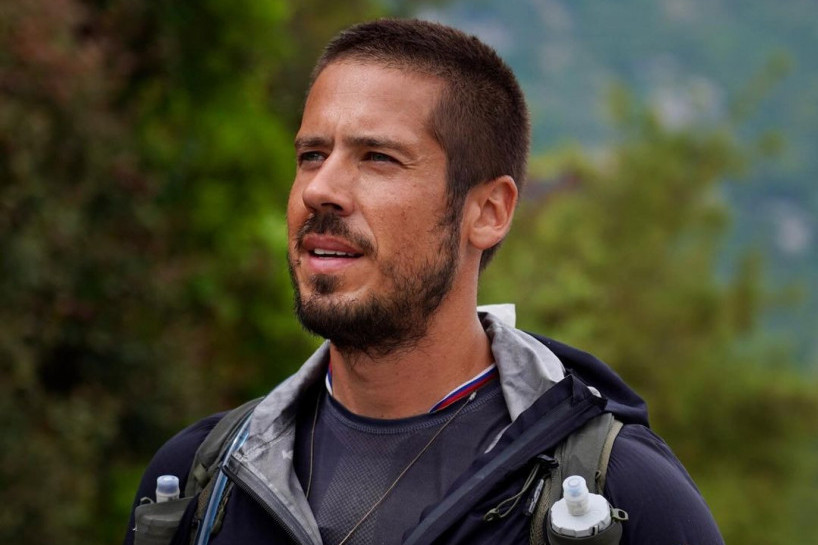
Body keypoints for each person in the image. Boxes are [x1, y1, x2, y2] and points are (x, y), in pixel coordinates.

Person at [124, 18, 724, 545]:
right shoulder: (197, 485)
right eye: (311, 155)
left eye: (378, 158)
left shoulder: (621, 500)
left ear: (487, 212)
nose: (320, 189)